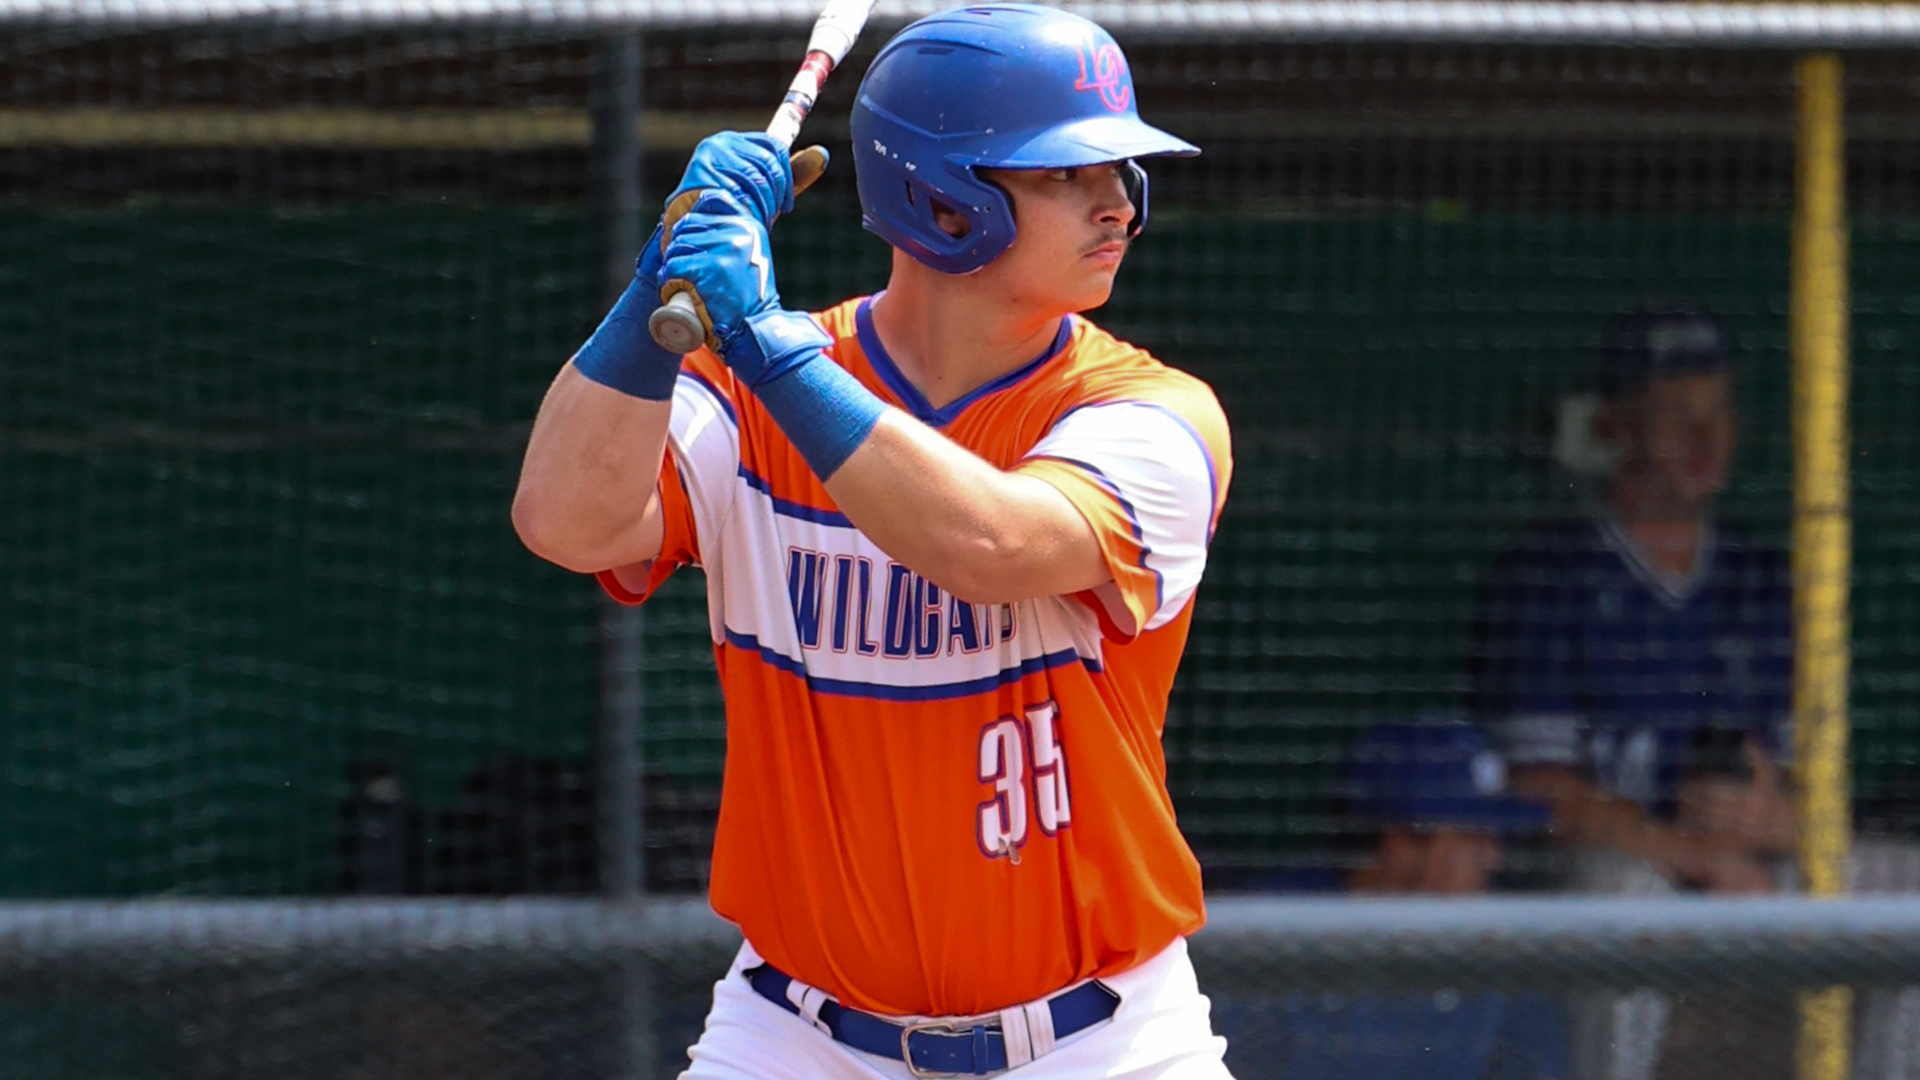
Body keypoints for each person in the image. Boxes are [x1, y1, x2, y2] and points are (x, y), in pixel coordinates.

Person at [512, 6, 1235, 1079]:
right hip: (795, 1034)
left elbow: (989, 543)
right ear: (941, 200)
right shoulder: (746, 395)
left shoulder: (1149, 413)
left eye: (1123, 170)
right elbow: (565, 524)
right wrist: (647, 289)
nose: (1116, 203)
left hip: (1099, 1042)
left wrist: (762, 342)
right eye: (1061, 175)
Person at [1468, 306, 1796, 896]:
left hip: (1752, 868)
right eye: (1676, 414)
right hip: (1621, 868)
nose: (1706, 439)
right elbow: (1537, 789)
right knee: (1617, 890)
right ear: (1615, 425)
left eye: (1718, 411)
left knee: (1896, 878)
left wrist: (1772, 814)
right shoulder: (1550, 575)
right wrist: (1694, 855)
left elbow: (1815, 788)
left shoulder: (1761, 579)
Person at [1218, 719, 1569, 1080]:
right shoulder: (1267, 939)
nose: (1493, 858)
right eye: (1475, 837)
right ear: (1400, 845)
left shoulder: (1508, 955)